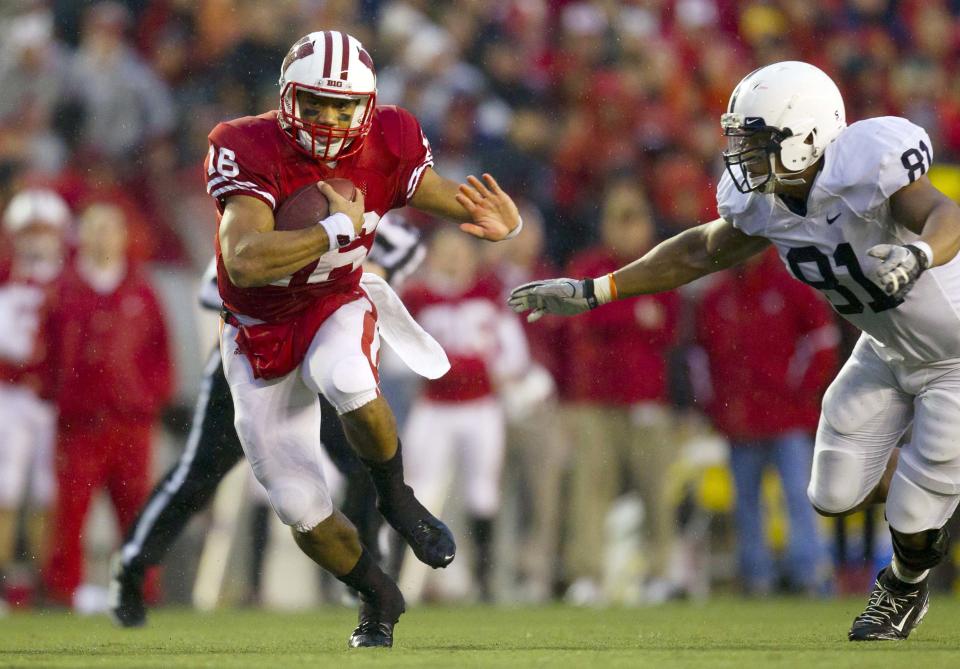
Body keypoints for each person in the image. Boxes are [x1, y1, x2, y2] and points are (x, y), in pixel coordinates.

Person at [510, 61, 960, 641]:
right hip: (887, 349)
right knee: (833, 493)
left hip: (954, 354)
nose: (743, 156)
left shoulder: (868, 163)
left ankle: (901, 589)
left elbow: (944, 213)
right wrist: (598, 289)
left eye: (758, 141)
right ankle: (930, 483)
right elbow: (700, 251)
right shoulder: (769, 203)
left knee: (920, 501)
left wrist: (920, 254)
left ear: (806, 136)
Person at [206, 31, 520, 648]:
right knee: (299, 507)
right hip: (256, 333)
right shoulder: (244, 143)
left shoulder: (391, 137)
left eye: (343, 106)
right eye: (315, 103)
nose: (329, 118)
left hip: (334, 302)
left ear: (368, 108)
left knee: (347, 379)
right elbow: (243, 260)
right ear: (287, 98)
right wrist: (331, 230)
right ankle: (378, 594)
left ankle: (397, 501)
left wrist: (490, 219)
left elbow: (431, 193)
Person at [109, 216, 426, 627]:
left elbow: (409, 247)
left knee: (366, 462)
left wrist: (341, 269)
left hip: (317, 360)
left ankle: (363, 572)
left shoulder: (368, 202)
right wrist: (298, 273)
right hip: (250, 361)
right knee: (198, 474)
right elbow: (213, 287)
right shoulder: (267, 203)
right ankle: (131, 570)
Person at [43, 201, 174, 607]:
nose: (101, 236)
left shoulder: (141, 289)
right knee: (70, 514)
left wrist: (149, 398)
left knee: (136, 510)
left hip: (130, 421)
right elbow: (45, 352)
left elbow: (160, 354)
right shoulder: (62, 290)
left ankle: (142, 591)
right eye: (94, 227)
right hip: (79, 423)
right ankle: (62, 593)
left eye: (109, 228)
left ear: (123, 236)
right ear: (80, 236)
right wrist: (60, 396)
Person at [695, 247, 839, 596]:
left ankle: (808, 573)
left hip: (787, 415)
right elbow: (701, 355)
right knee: (746, 501)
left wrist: (800, 390)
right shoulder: (717, 295)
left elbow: (823, 339)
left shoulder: (791, 284)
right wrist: (717, 406)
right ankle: (756, 576)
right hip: (741, 418)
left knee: (797, 494)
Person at [400, 227, 530, 602]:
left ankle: (483, 580)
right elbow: (395, 359)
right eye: (446, 250)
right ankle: (411, 580)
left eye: (460, 251)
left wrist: (480, 369)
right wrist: (445, 366)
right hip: (434, 408)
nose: (454, 259)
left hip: (479, 407)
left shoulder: (488, 295)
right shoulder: (418, 299)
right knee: (418, 492)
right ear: (432, 255)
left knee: (483, 492)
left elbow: (515, 355)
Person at [0, 189, 69, 610]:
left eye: (45, 231)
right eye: (30, 231)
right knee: (4, 491)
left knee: (49, 493)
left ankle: (47, 584)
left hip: (51, 400)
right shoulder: (8, 274)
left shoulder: (68, 281)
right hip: (7, 395)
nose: (37, 240)